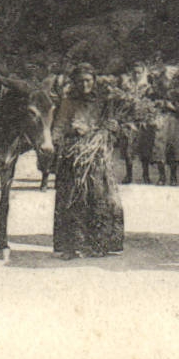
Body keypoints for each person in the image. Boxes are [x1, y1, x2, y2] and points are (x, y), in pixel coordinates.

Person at [52, 63, 125, 258]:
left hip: (96, 155)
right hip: (74, 154)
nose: (84, 84)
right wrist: (68, 133)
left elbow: (113, 129)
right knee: (73, 198)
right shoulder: (68, 102)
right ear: (74, 83)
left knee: (99, 196)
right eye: (80, 81)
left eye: (88, 81)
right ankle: (72, 245)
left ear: (94, 81)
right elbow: (58, 128)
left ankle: (99, 244)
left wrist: (112, 127)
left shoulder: (103, 102)